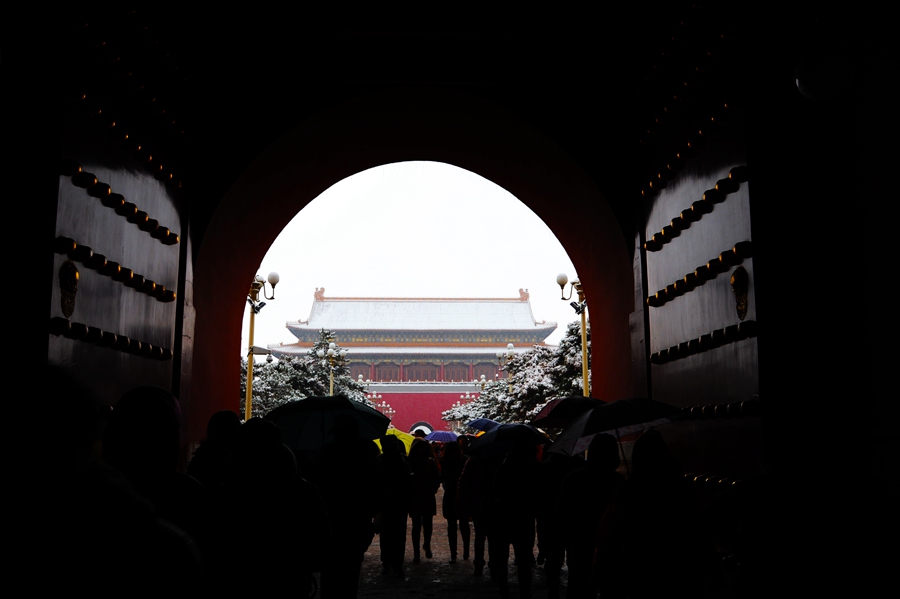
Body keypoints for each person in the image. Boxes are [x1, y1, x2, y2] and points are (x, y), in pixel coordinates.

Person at [378, 434, 413, 576]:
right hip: (391, 502)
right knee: (390, 534)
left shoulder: (383, 460)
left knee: (394, 534)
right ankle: (390, 563)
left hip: (397, 502)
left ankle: (394, 563)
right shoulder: (401, 460)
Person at [408, 438, 440, 563]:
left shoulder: (427, 462)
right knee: (417, 524)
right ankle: (418, 550)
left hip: (424, 495)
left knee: (427, 523)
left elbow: (436, 478)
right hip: (417, 495)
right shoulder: (420, 462)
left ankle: (426, 544)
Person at [439, 439, 469, 563]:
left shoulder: (444, 462)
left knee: (452, 526)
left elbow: (442, 478)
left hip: (450, 495)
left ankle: (454, 553)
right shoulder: (464, 461)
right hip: (462, 495)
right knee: (464, 524)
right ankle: (465, 551)